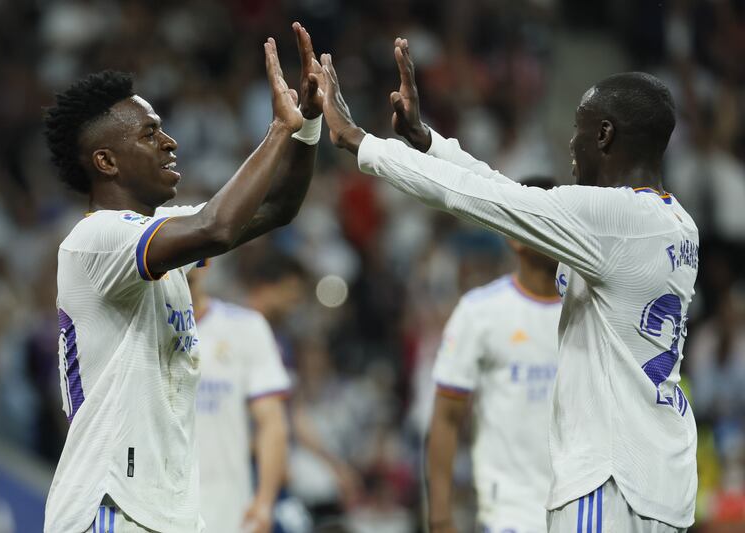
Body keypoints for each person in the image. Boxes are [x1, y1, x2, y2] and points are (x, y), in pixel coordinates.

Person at [313, 38, 698, 532]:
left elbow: (480, 200)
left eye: (578, 134)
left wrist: (360, 142)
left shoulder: (610, 217)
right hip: (664, 482)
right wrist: (428, 140)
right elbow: (509, 195)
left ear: (604, 134)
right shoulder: (677, 224)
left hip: (608, 484)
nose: (572, 151)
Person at [43, 23, 323, 533]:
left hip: (166, 513)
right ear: (105, 161)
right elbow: (217, 227)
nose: (170, 142)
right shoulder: (96, 240)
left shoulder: (159, 240)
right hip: (108, 506)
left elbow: (279, 207)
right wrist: (278, 131)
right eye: (150, 134)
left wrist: (306, 127)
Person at [427, 178, 562, 533]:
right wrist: (440, 516)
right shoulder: (480, 312)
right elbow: (446, 416)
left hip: (582, 508)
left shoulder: (593, 311)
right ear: (514, 236)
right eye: (545, 221)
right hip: (510, 512)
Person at [187, 265, 291, 533]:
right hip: (153, 510)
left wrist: (265, 502)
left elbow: (272, 423)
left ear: (205, 262)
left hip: (228, 511)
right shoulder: (136, 331)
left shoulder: (245, 327)